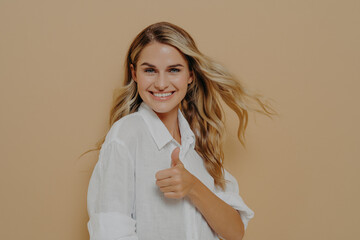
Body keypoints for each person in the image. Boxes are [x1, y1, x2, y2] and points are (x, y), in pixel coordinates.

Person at [82, 22, 275, 240]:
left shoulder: (199, 143)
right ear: (134, 73)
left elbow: (234, 232)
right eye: (150, 70)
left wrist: (193, 186)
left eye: (174, 70)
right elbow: (111, 233)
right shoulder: (125, 136)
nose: (161, 83)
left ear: (190, 75)